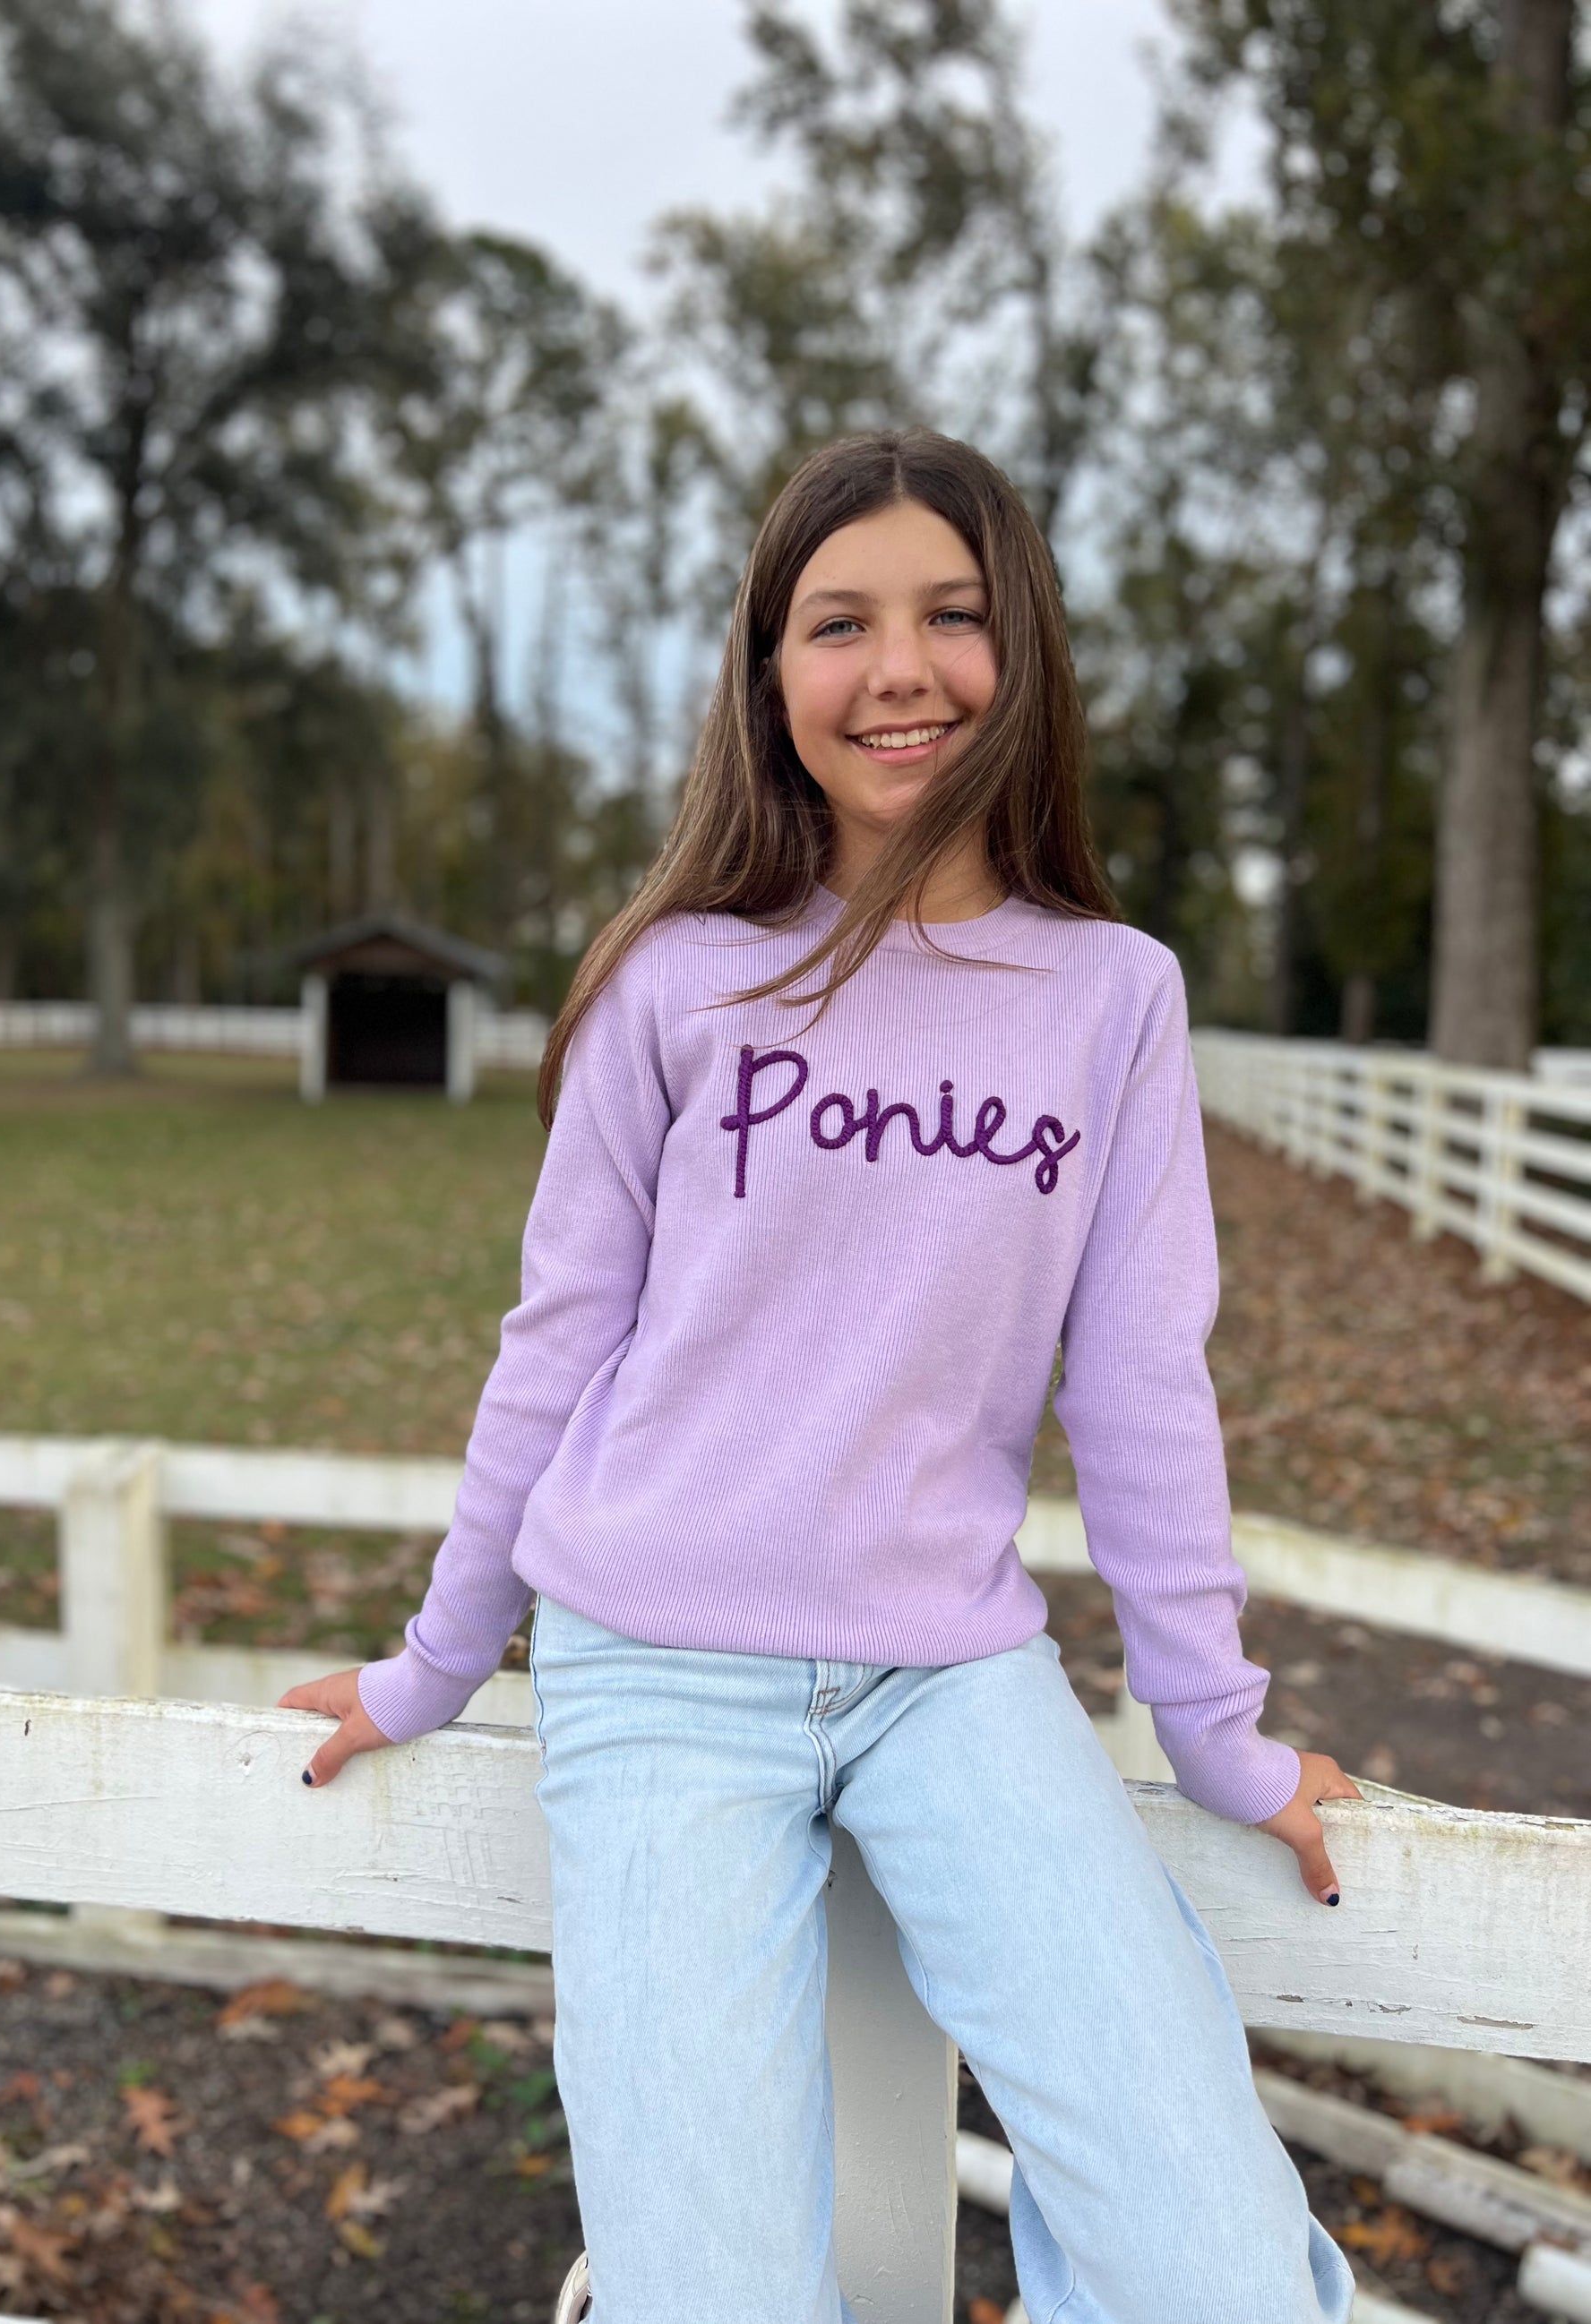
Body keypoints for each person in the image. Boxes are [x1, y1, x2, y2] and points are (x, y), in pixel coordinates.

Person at [280, 427, 1362, 2324]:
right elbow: (556, 1346)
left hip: (948, 1672)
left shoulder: (1114, 996)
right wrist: (433, 1660)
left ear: (1016, 647)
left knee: (1223, 2270)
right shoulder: (672, 982)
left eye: (951, 615)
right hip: (655, 1671)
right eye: (836, 623)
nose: (899, 669)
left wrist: (1219, 1732)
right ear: (770, 679)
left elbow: (1139, 1389)